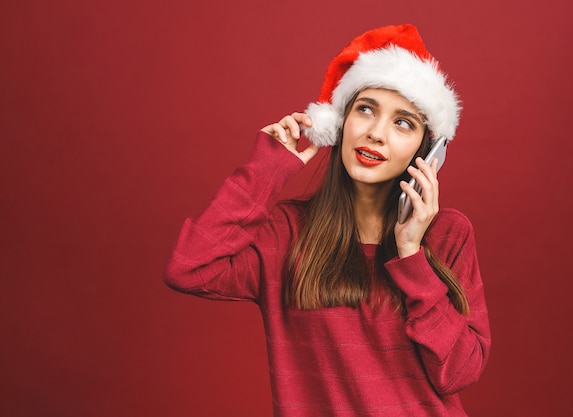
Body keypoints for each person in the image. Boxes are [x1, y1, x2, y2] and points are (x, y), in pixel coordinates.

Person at [164, 24, 491, 417]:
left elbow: (460, 371)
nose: (375, 134)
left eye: (403, 122)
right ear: (339, 123)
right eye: (365, 109)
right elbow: (189, 268)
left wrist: (411, 255)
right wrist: (266, 171)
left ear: (428, 151)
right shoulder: (287, 234)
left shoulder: (448, 235)